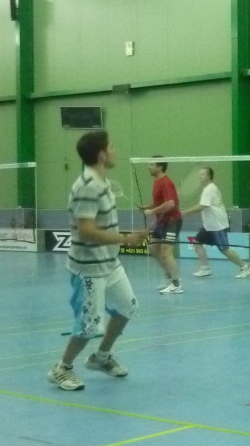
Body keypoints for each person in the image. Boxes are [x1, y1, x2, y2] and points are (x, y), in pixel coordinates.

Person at [48, 131, 149, 391]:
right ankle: (62, 368)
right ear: (102, 154)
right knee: (89, 325)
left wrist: (124, 239)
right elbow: (86, 231)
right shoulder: (87, 186)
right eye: (111, 147)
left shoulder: (103, 183)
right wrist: (126, 239)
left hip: (109, 263)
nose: (115, 151)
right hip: (88, 268)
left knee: (127, 308)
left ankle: (101, 357)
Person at [181, 166, 250, 279]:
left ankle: (245, 267)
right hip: (209, 225)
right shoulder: (208, 189)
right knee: (196, 242)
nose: (199, 177)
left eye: (202, 174)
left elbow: (202, 206)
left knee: (224, 249)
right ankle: (205, 268)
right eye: (199, 174)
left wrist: (184, 213)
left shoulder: (209, 189)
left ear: (209, 176)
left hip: (217, 225)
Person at [144, 156, 184, 294]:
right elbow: (160, 203)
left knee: (166, 251)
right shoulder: (156, 182)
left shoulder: (166, 182)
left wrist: (152, 211)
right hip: (162, 221)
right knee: (153, 247)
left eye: (151, 164)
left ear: (160, 167)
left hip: (172, 220)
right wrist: (149, 207)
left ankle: (176, 284)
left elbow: (171, 203)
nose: (148, 167)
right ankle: (169, 277)